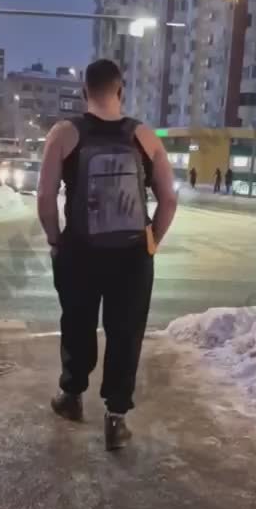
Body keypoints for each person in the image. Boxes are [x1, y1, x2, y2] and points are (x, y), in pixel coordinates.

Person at [38, 59, 177, 451]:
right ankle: (116, 418)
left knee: (77, 323)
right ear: (121, 91)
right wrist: (152, 241)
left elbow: (46, 197)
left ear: (84, 92)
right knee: (125, 332)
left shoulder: (64, 133)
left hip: (79, 251)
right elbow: (168, 199)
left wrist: (55, 240)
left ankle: (71, 396)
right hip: (133, 256)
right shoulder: (144, 136)